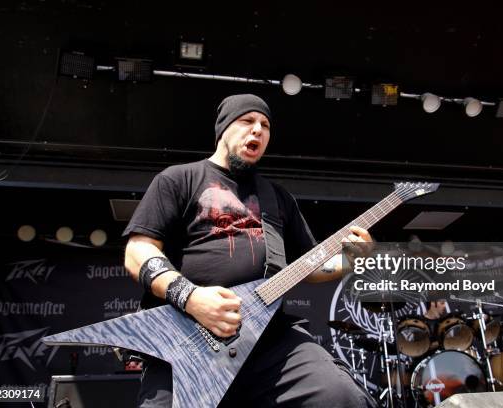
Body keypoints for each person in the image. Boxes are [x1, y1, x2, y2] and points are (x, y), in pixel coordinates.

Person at [123, 94, 377, 407]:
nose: (257, 130)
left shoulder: (277, 197)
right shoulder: (179, 179)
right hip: (186, 335)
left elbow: (309, 267)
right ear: (223, 129)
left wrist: (350, 260)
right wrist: (190, 297)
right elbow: (138, 251)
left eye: (265, 125)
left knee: (342, 398)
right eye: (247, 121)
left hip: (268, 339)